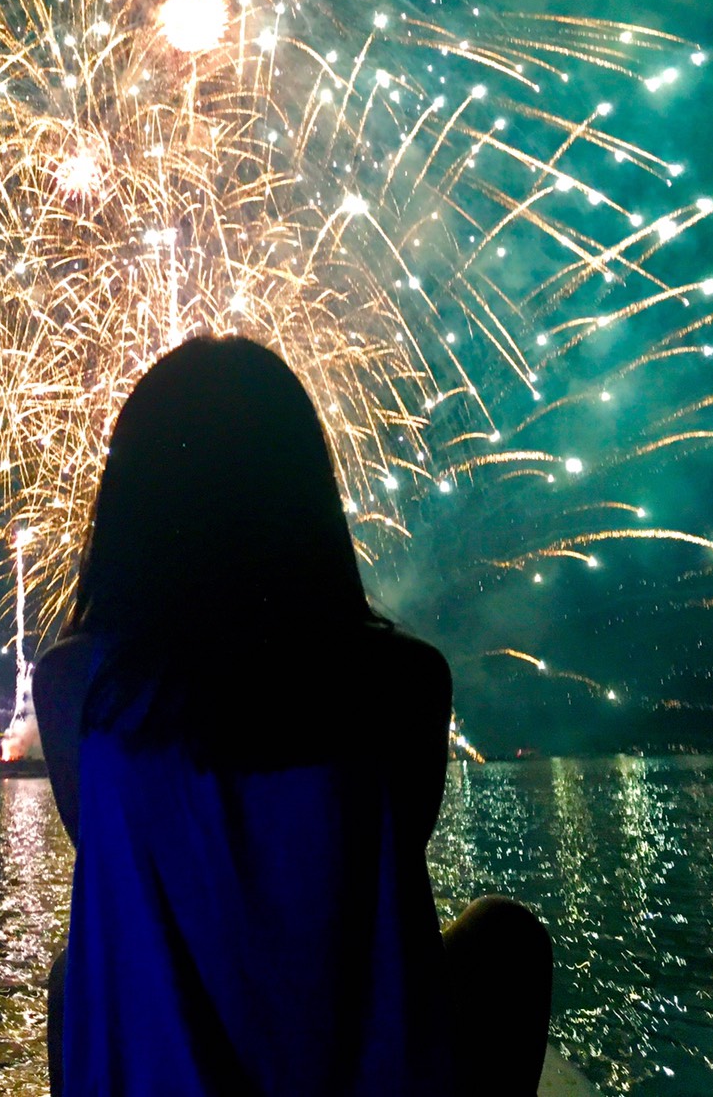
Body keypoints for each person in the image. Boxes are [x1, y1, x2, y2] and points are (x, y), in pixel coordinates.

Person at [34, 336, 552, 1096]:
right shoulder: (407, 679)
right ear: (307, 491)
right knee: (507, 939)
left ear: (132, 497)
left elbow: (115, 855)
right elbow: (377, 869)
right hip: (360, 1070)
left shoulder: (73, 685)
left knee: (70, 978)